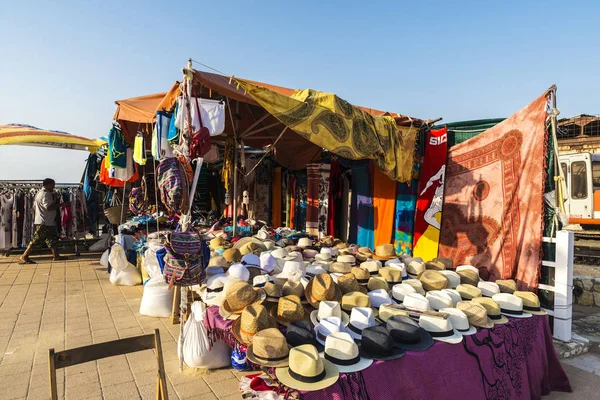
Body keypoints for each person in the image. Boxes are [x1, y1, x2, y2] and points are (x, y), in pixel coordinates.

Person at [19, 178, 68, 264]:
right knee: (37, 239)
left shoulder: (39, 193)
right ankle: (24, 255)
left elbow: (34, 207)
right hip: (44, 222)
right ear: (48, 185)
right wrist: (60, 205)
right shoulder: (46, 194)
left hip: (46, 220)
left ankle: (56, 255)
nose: (54, 187)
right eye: (53, 185)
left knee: (52, 239)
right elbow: (48, 207)